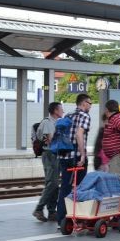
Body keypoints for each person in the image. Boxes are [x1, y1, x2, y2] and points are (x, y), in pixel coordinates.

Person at [56, 93, 92, 228]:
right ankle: (78, 218)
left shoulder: (68, 115)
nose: (90, 106)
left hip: (64, 157)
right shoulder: (85, 116)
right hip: (76, 157)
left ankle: (62, 220)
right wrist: (82, 155)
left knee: (65, 187)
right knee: (79, 188)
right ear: (84, 103)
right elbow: (79, 134)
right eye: (90, 103)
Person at [33, 102, 63, 222]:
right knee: (53, 183)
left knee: (54, 184)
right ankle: (39, 209)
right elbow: (50, 140)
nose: (63, 111)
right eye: (61, 109)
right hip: (49, 154)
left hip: (55, 154)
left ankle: (52, 211)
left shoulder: (56, 123)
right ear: (55, 110)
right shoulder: (47, 122)